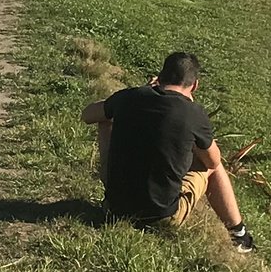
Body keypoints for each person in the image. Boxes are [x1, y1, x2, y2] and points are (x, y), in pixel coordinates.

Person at [80, 52, 254, 251]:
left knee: (105, 119)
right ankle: (239, 234)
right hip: (162, 216)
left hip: (115, 208)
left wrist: (140, 94)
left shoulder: (129, 96)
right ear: (194, 85)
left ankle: (116, 192)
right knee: (213, 167)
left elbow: (88, 115)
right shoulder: (193, 113)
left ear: (159, 77)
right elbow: (213, 161)